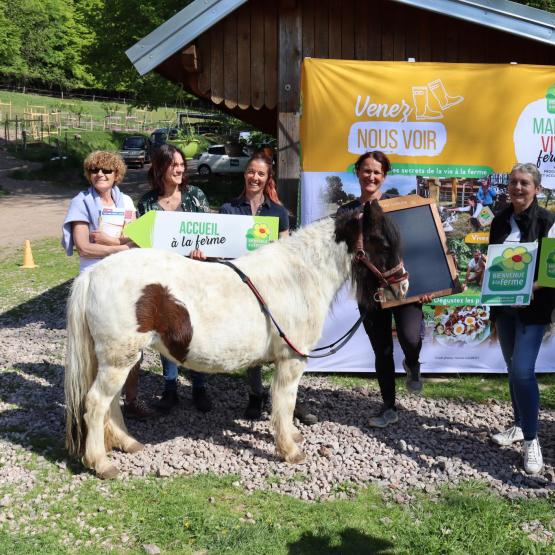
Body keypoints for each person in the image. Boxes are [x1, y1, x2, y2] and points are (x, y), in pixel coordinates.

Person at [218, 152, 318, 425]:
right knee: (253, 345)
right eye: (251, 172)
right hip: (239, 287)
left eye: (260, 174)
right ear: (245, 173)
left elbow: (286, 252)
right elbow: (220, 251)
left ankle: (288, 400)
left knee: (285, 346)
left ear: (267, 178)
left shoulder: (278, 212)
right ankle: (255, 395)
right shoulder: (229, 208)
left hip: (275, 289)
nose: (255, 177)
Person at [337, 151, 428, 428]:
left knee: (411, 338)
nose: (371, 176)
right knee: (383, 351)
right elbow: (340, 254)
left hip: (402, 285)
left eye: (377, 172)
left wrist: (426, 285)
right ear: (358, 172)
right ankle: (389, 406)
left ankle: (413, 363)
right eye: (366, 171)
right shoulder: (346, 213)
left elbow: (418, 246)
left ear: (384, 176)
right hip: (370, 291)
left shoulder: (397, 207)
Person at [61, 150, 155, 419]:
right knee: (95, 348)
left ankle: (132, 400)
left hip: (125, 280)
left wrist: (111, 243)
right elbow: (83, 246)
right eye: (94, 171)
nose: (100, 175)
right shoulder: (81, 202)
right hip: (94, 281)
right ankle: (91, 406)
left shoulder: (125, 200)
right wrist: (120, 248)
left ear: (116, 175)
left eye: (106, 171)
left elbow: (135, 239)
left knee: (133, 343)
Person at [489, 163, 555, 475]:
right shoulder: (500, 220)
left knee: (522, 371)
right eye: (514, 182)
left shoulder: (548, 222)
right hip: (504, 307)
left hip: (533, 308)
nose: (517, 188)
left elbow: (553, 269)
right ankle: (518, 425)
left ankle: (531, 440)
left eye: (524, 183)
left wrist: (530, 287)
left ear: (537, 189)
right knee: (510, 368)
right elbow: (495, 264)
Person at [137, 144, 213, 414]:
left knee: (196, 331)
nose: (180, 169)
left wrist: (203, 251)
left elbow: (210, 233)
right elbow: (142, 242)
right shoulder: (146, 203)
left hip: (194, 275)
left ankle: (199, 387)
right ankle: (169, 389)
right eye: (174, 165)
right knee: (167, 332)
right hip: (164, 280)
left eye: (182, 164)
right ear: (160, 169)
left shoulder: (195, 196)